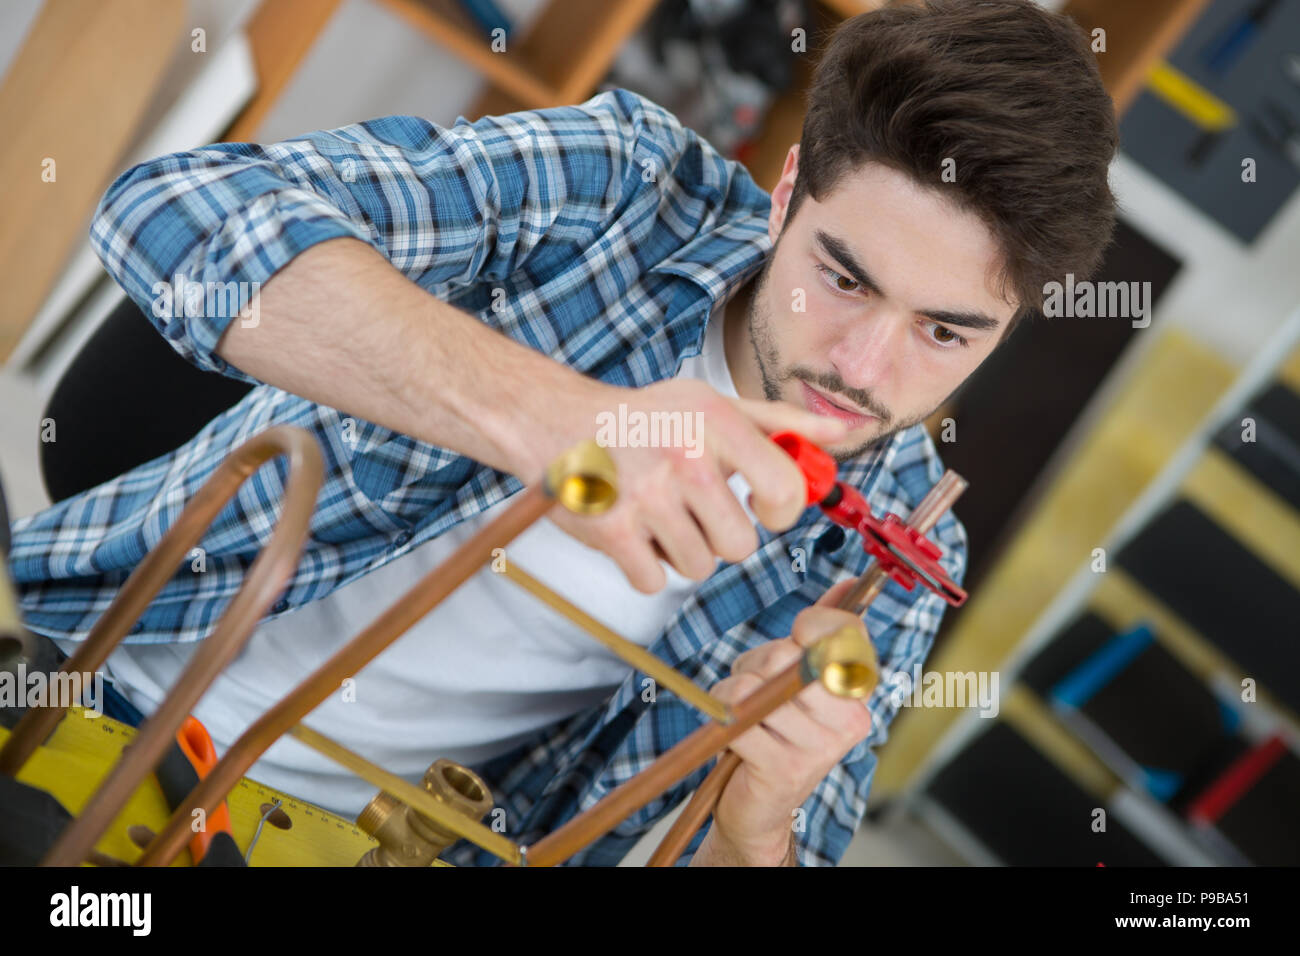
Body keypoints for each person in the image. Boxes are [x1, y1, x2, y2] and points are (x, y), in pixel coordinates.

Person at [7, 0, 1117, 866]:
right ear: (785, 189)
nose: (863, 371)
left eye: (943, 331)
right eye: (841, 275)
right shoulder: (624, 191)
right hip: (97, 688)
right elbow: (172, 208)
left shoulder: (893, 560)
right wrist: (567, 422)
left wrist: (758, 820)